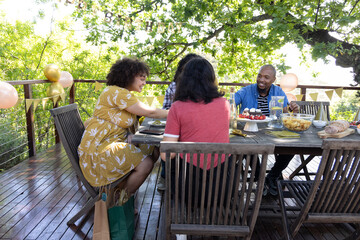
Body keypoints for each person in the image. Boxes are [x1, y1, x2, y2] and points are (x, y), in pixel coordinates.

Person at [78, 57, 168, 199]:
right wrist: (175, 113)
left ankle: (121, 193)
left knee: (153, 148)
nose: (144, 83)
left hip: (105, 145)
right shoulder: (117, 93)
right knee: (146, 164)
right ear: (129, 76)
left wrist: (128, 135)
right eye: (142, 78)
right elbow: (149, 112)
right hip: (98, 152)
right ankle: (120, 201)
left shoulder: (120, 93)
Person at [160, 57, 231, 203]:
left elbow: (166, 154)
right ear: (212, 79)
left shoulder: (177, 107)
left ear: (184, 79)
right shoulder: (225, 104)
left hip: (188, 191)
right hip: (221, 190)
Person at [235, 64, 299, 196]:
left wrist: (293, 110)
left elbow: (286, 113)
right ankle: (261, 179)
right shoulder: (246, 91)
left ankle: (272, 176)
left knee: (293, 146)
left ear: (273, 80)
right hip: (250, 132)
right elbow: (230, 102)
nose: (261, 80)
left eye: (266, 77)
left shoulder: (278, 92)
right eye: (259, 76)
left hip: (272, 132)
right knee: (249, 150)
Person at [157, 53, 200, 191]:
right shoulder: (174, 87)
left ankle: (185, 177)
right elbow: (166, 109)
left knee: (169, 146)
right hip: (176, 127)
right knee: (167, 143)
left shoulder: (202, 89)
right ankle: (165, 175)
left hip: (193, 131)